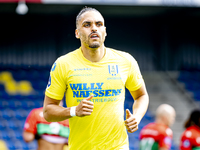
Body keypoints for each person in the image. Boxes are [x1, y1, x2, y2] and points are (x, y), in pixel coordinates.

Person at [43, 6, 149, 150]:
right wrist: (74, 111)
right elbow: (48, 112)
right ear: (77, 33)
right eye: (87, 25)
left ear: (105, 31)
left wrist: (136, 117)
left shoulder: (126, 61)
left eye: (99, 24)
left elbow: (141, 95)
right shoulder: (63, 64)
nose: (94, 28)